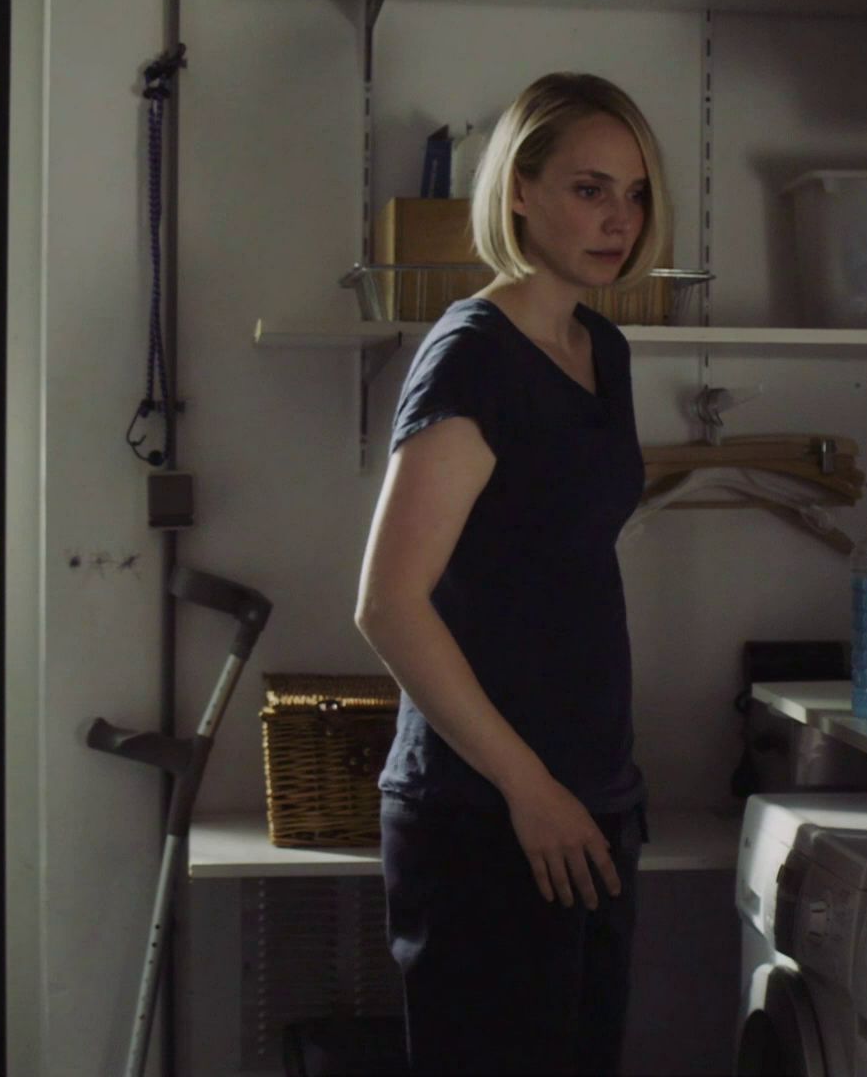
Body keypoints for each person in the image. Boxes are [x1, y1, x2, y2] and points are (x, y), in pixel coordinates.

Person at [352, 71, 672, 1075]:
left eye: (634, 193)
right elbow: (389, 605)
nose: (618, 219)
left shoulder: (601, 348)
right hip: (486, 814)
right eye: (589, 188)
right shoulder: (472, 356)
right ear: (520, 190)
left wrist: (585, 792)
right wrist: (530, 789)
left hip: (592, 802)